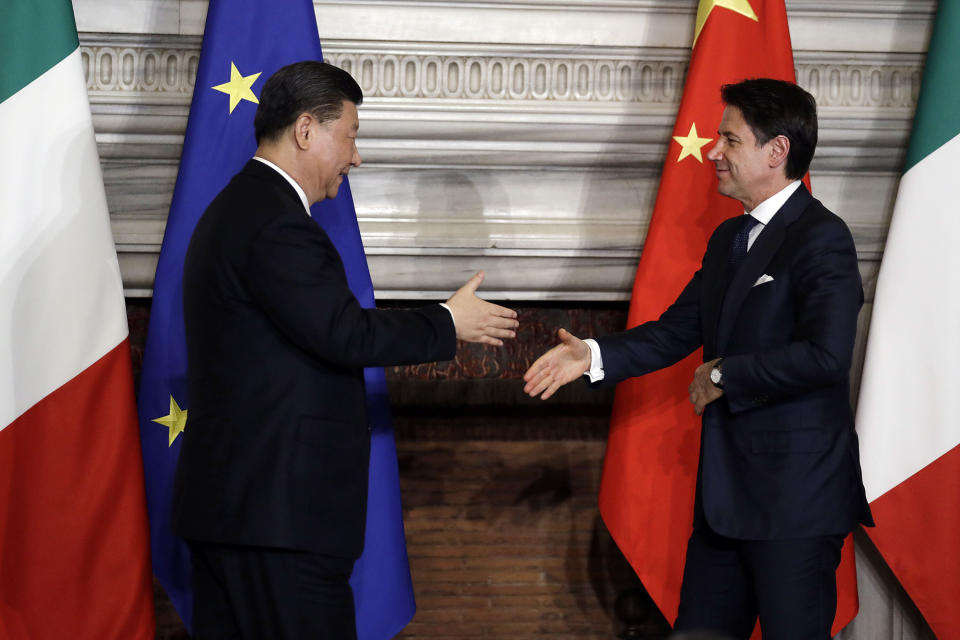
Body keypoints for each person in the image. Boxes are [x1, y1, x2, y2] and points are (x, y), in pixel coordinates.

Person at [171, 60, 518, 639]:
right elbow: (343, 332)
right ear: (307, 130)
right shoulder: (274, 223)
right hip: (276, 522)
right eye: (350, 137)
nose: (355, 157)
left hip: (242, 513)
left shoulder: (237, 210)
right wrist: (447, 321)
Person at [523, 78, 873, 639]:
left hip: (794, 504)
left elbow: (827, 356)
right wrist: (590, 356)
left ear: (776, 151)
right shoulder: (729, 238)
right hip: (724, 502)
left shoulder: (822, 237)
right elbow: (673, 332)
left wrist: (724, 372)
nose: (713, 152)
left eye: (729, 140)